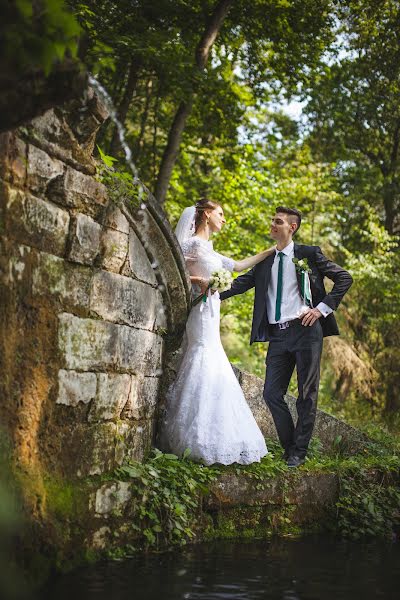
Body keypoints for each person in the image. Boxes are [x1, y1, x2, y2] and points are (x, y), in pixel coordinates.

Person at [220, 206, 353, 468]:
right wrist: (210, 291)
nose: (272, 224)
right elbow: (239, 284)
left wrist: (321, 310)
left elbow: (344, 278)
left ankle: (297, 454)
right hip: (278, 337)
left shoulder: (308, 254)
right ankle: (290, 446)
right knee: (271, 393)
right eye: (272, 219)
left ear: (291, 227)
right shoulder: (266, 260)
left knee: (307, 393)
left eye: (277, 221)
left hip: (306, 331)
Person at [161, 199, 275, 465]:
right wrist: (198, 281)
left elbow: (237, 266)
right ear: (206, 214)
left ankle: (216, 435)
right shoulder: (190, 245)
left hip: (213, 311)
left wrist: (271, 251)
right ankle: (193, 438)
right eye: (221, 214)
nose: (224, 219)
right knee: (203, 355)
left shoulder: (210, 250)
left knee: (213, 358)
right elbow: (171, 272)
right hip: (199, 312)